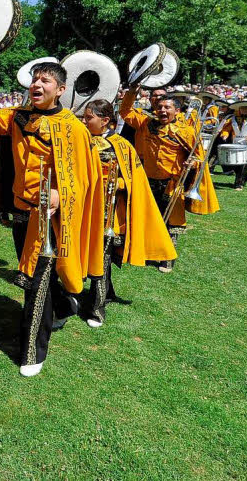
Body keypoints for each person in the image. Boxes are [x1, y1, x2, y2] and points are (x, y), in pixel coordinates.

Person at [0, 61, 104, 376]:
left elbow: (83, 179)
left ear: (61, 90)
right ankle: (66, 305)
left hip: (51, 218)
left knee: (34, 283)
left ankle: (32, 352)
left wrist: (59, 193)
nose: (38, 85)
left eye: (46, 81)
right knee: (40, 279)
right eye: (35, 79)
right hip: (22, 212)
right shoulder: (16, 116)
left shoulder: (75, 127)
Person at [80, 100, 177, 327]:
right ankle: (104, 293)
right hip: (86, 208)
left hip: (109, 213)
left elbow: (134, 178)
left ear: (105, 121)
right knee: (90, 255)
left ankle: (97, 309)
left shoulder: (121, 145)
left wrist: (117, 183)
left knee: (101, 258)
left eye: (89, 118)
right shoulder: (82, 139)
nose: (84, 122)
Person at [119, 81, 219, 267]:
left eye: (167, 107)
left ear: (177, 111)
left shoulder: (185, 131)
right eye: (160, 107)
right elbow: (125, 111)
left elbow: (198, 157)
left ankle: (167, 258)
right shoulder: (145, 123)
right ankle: (148, 251)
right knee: (150, 218)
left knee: (171, 224)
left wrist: (192, 163)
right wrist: (132, 92)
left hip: (172, 183)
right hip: (147, 180)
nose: (162, 110)